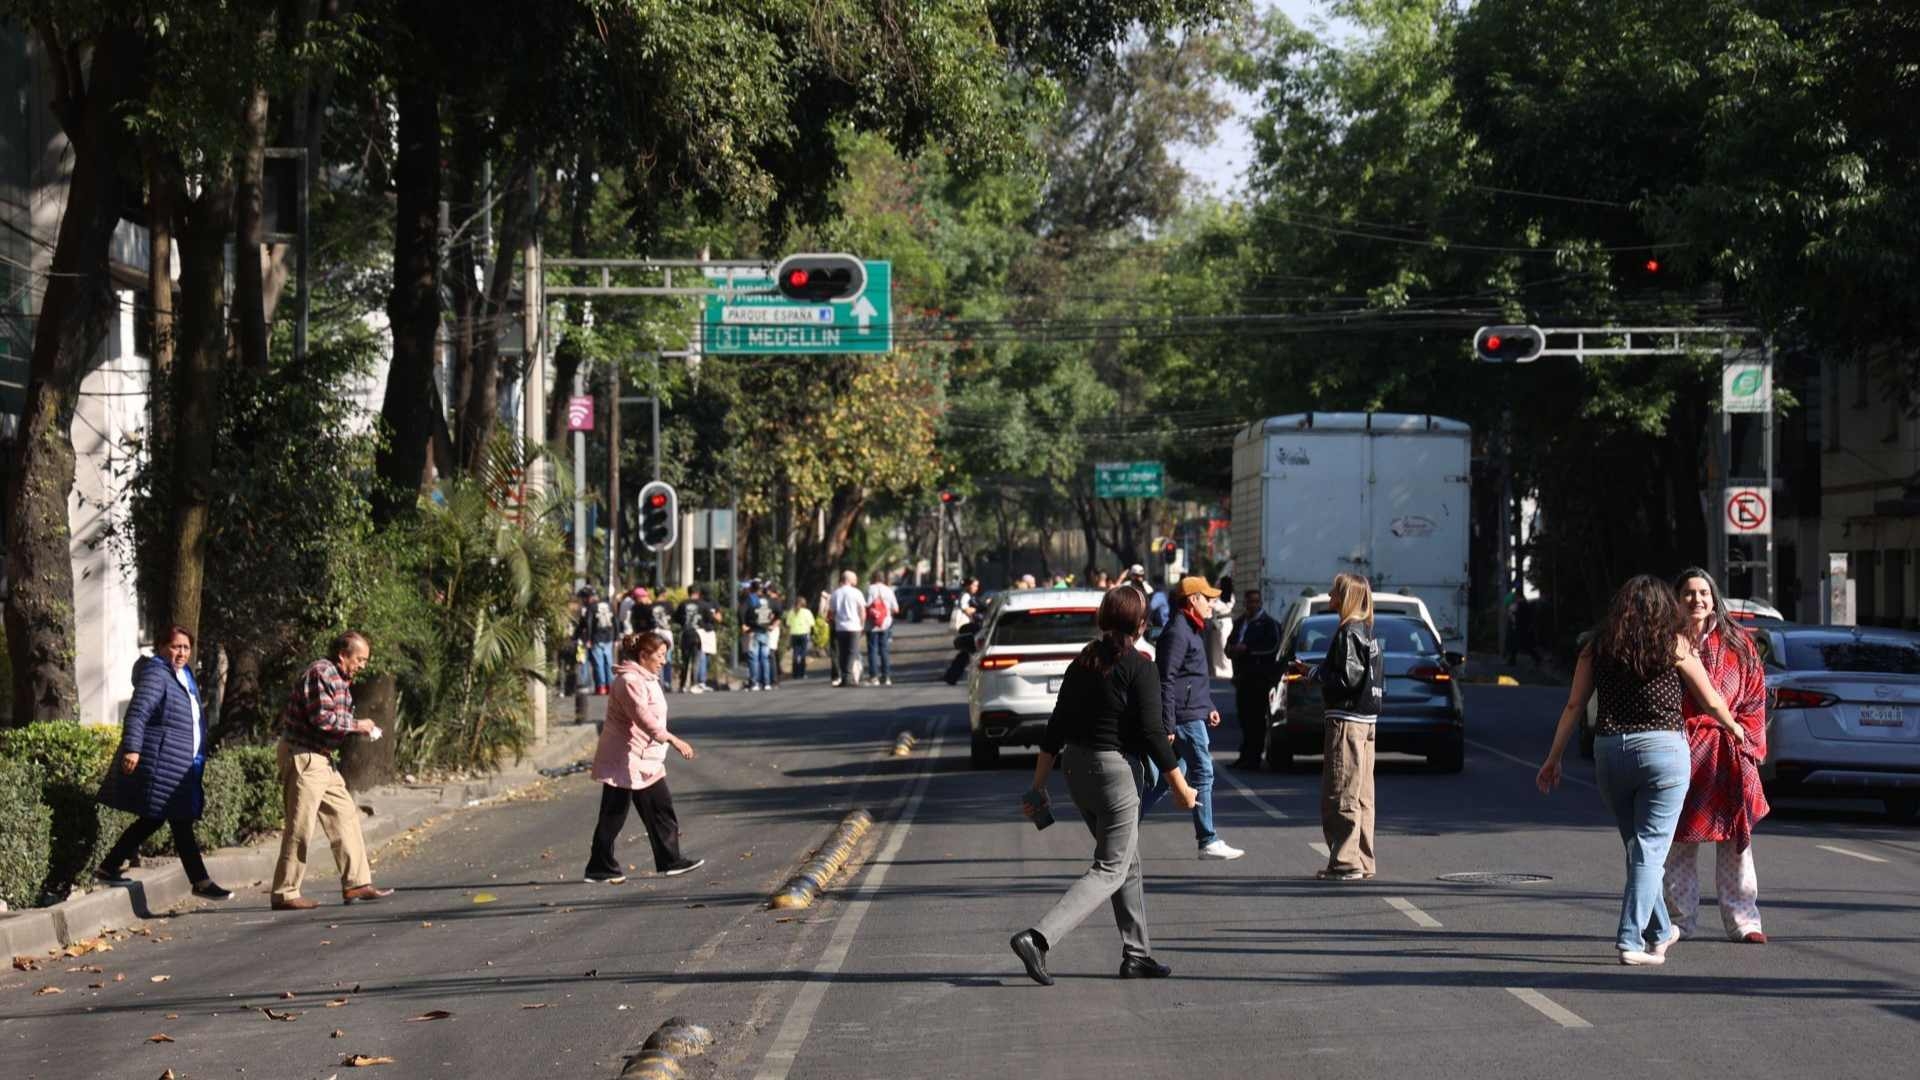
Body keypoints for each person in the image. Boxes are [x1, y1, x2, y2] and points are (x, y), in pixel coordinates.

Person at [1537, 574, 1739, 965]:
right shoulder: (1675, 643)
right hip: (1663, 751)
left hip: (1610, 752)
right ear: (1665, 607)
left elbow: (1574, 706)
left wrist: (1554, 757)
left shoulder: (1596, 646)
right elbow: (1711, 700)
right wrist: (1735, 729)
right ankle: (1630, 940)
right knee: (1648, 850)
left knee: (1639, 849)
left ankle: (1660, 931)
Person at [1010, 586, 1200, 986]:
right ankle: (1039, 938)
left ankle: (1137, 954)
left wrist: (1038, 786)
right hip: (1114, 774)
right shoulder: (1140, 666)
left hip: (1076, 770)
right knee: (1110, 867)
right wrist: (1181, 787)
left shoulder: (1081, 665)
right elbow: (1152, 733)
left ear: (1101, 620)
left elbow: (1055, 728)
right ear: (1142, 624)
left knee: (1125, 862)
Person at [1664, 568, 1771, 944]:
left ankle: (1744, 920)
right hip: (1680, 751)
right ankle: (1680, 920)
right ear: (1676, 600)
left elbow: (1756, 696)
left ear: (1714, 598)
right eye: (1688, 593)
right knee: (1679, 840)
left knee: (1736, 842)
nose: (1696, 600)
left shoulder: (1739, 643)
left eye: (1703, 593)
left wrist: (1747, 739)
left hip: (1730, 752)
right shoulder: (1664, 643)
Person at [96, 626, 233, 901]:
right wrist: (133, 748)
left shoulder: (184, 675)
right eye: (175, 646)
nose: (181, 652)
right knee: (178, 821)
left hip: (179, 764)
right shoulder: (157, 673)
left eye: (185, 647)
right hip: (161, 762)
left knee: (154, 818)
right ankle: (201, 881)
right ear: (160, 647)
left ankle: (109, 866)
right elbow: (138, 713)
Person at [270, 631, 394, 910]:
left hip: (322, 759)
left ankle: (356, 883)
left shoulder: (340, 680)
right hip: (304, 755)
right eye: (359, 659)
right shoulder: (321, 673)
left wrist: (358, 728)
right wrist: (358, 725)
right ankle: (285, 892)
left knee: (345, 815)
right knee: (301, 825)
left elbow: (333, 722)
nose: (363, 665)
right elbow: (322, 719)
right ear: (342, 655)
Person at [585, 632, 705, 882]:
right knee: (613, 814)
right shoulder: (630, 681)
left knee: (660, 809)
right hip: (625, 757)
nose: (664, 661)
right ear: (643, 656)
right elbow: (642, 716)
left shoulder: (646, 678)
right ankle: (599, 866)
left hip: (644, 758)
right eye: (660, 656)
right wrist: (672, 739)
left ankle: (670, 860)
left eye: (665, 656)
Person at [1140, 575, 1244, 860]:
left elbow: (1193, 677)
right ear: (1192, 600)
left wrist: (1208, 704)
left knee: (1170, 778)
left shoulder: (1192, 629)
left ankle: (1123, 826)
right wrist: (1169, 722)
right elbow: (1166, 679)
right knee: (1204, 771)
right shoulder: (1177, 632)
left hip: (1191, 711)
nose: (1212, 603)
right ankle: (1207, 839)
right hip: (1184, 718)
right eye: (1208, 598)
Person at [1315, 573, 1383, 880]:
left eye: (1335, 591)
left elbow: (1347, 679)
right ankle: (1363, 860)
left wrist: (1317, 675)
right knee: (1362, 795)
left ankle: (1345, 862)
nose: (1330, 595)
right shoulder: (1367, 630)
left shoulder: (1347, 632)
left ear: (1346, 597)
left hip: (1347, 722)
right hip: (1366, 721)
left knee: (1341, 790)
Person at [1226, 588, 1283, 770]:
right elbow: (1230, 644)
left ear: (1260, 603)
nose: (1253, 605)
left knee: (1257, 720)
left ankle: (1254, 757)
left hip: (1259, 680)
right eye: (1250, 602)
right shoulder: (1240, 622)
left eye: (1256, 602)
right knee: (1244, 718)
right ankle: (1245, 755)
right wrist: (1232, 650)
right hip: (1242, 679)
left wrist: (1248, 650)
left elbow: (1273, 648)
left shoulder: (1269, 624)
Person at [577, 589, 617, 694]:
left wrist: (589, 639)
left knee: (599, 663)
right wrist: (616, 637)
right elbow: (615, 621)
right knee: (609, 663)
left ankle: (601, 686)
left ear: (589, 597)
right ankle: (610, 685)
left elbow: (588, 624)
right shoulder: (609, 605)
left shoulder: (591, 607)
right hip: (609, 637)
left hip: (596, 638)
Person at [943, 578, 983, 685]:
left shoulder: (969, 596)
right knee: (968, 652)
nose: (976, 588)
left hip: (968, 626)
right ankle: (952, 675)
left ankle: (952, 675)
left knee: (966, 653)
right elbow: (966, 609)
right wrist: (978, 609)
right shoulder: (966, 596)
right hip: (966, 627)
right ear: (968, 585)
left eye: (977, 586)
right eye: (974, 585)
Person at [831, 570, 866, 688]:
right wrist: (862, 625)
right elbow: (862, 611)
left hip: (840, 627)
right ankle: (848, 677)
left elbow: (832, 612)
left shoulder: (836, 593)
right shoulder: (857, 593)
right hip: (854, 626)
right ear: (849, 580)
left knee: (842, 653)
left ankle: (845, 677)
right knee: (852, 652)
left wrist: (835, 621)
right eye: (855, 579)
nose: (856, 581)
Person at [866, 570, 900, 686]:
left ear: (873, 578)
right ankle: (886, 677)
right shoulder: (888, 590)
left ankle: (873, 677)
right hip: (885, 624)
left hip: (871, 624)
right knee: (884, 650)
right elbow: (896, 609)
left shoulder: (869, 589)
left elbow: (865, 606)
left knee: (872, 651)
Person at [742, 581, 776, 691]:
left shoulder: (750, 599)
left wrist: (743, 624)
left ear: (751, 588)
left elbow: (741, 611)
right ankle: (766, 683)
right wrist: (770, 622)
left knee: (754, 658)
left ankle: (755, 682)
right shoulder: (767, 600)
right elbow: (774, 612)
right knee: (765, 658)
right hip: (765, 631)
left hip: (753, 630)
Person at [677, 587, 711, 694]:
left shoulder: (683, 604)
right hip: (698, 634)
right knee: (696, 660)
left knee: (685, 660)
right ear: (698, 592)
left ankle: (682, 685)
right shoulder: (703, 604)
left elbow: (677, 617)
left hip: (686, 632)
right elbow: (709, 618)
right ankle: (694, 684)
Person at [784, 594, 816, 679]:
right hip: (804, 633)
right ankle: (802, 673)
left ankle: (795, 673)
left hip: (794, 634)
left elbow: (787, 624)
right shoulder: (807, 612)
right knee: (803, 654)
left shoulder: (791, 612)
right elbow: (812, 623)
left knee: (795, 653)